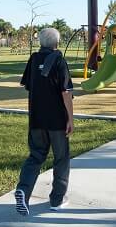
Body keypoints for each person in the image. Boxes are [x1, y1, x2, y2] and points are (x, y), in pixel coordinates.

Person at [14, 27, 74, 216]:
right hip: (56, 120)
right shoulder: (59, 60)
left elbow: (29, 87)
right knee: (61, 158)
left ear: (41, 42)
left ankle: (23, 190)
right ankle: (57, 199)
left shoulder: (33, 59)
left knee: (36, 156)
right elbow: (66, 92)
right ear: (57, 43)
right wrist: (70, 119)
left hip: (36, 119)